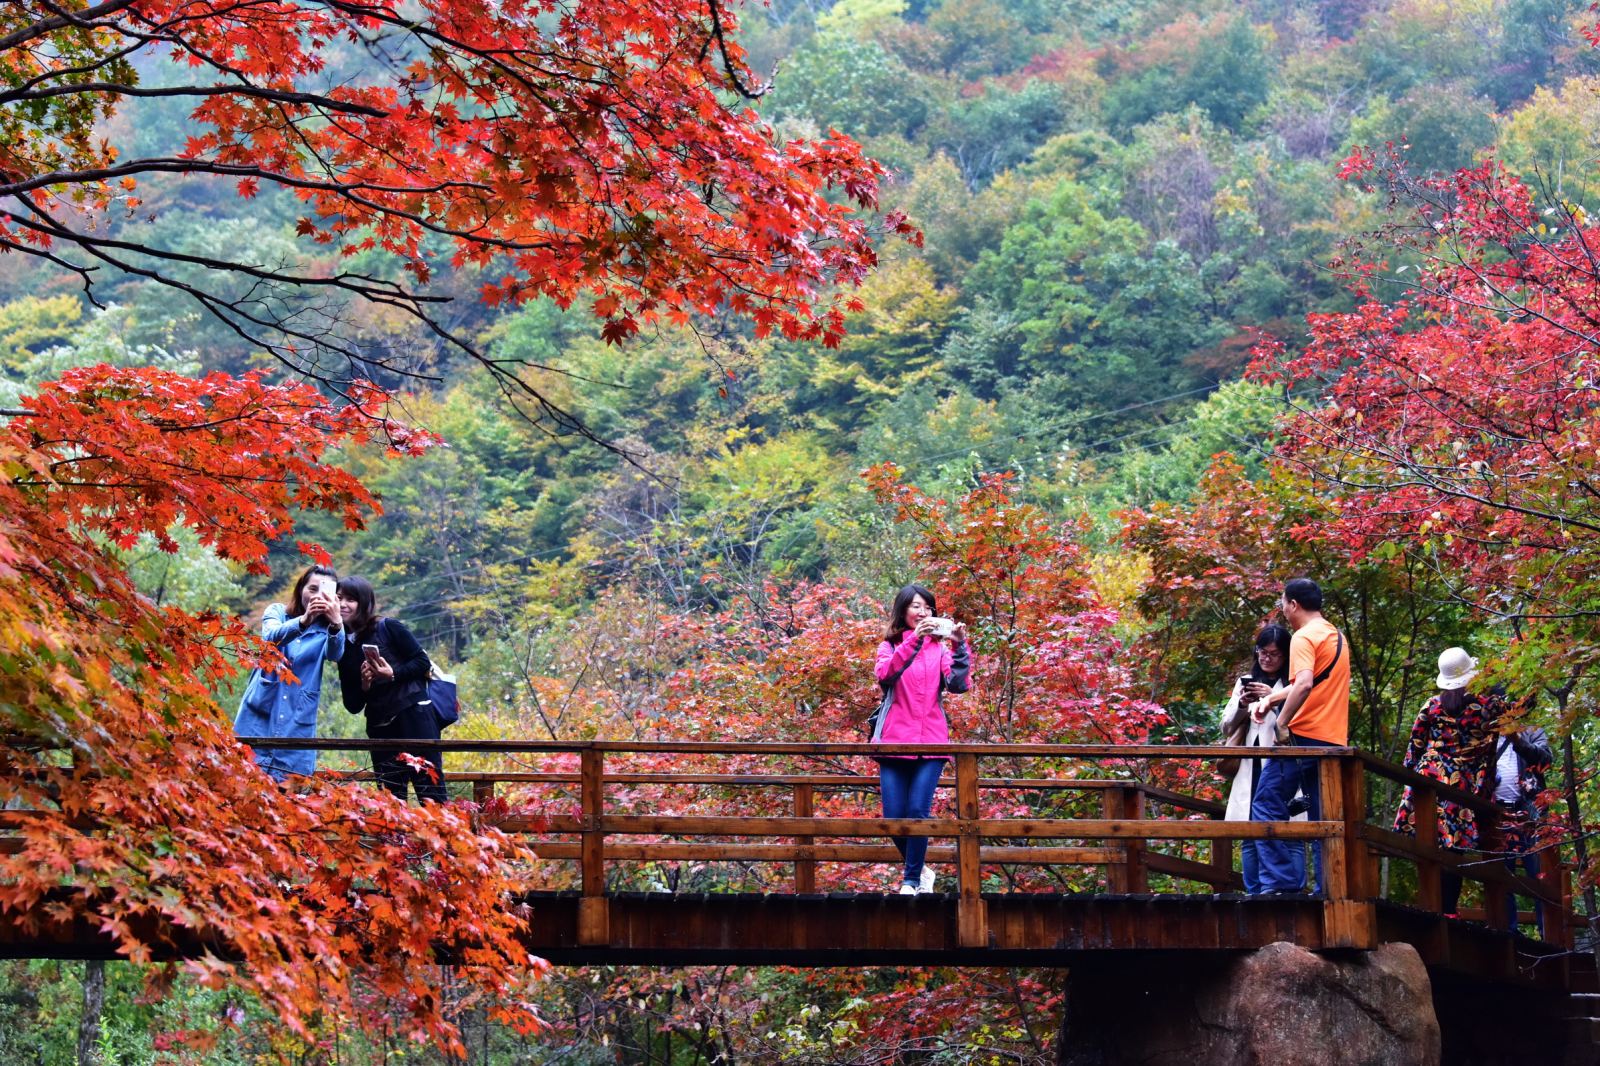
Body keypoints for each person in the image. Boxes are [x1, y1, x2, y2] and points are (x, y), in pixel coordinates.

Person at [1250, 577, 1350, 895]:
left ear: (1293, 604)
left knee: (1266, 803)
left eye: (1283, 603)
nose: (1282, 609)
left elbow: (1305, 683)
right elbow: (1312, 682)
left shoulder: (1303, 637)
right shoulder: (1336, 636)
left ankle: (1281, 884)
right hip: (1333, 740)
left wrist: (1283, 723)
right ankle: (1329, 890)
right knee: (1324, 818)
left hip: (1304, 738)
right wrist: (1271, 699)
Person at [873, 584, 972, 894]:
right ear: (903, 611)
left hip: (931, 741)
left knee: (918, 811)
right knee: (893, 817)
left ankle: (911, 880)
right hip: (894, 741)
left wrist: (959, 646)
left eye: (927, 607)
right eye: (916, 606)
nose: (922, 612)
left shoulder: (939, 650)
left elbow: (958, 684)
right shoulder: (888, 646)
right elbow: (885, 675)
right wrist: (914, 641)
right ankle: (921, 871)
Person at [1392, 648, 1502, 917]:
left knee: (1426, 844)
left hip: (1426, 778)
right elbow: (1494, 749)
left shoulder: (1432, 705)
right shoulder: (1487, 707)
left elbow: (1413, 748)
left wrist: (1408, 781)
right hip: (1458, 785)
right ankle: (1448, 910)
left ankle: (1430, 907)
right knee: (1454, 846)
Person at [336, 576, 446, 803]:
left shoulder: (388, 627)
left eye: (350, 599)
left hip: (415, 719)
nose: (343, 604)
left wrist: (392, 674)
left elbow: (422, 662)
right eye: (339, 598)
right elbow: (353, 705)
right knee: (391, 800)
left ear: (364, 602)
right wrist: (365, 685)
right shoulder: (342, 646)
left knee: (431, 794)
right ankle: (394, 840)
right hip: (380, 728)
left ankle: (443, 838)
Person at [233, 565, 346, 782]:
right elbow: (270, 637)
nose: (317, 596)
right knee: (242, 787)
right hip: (258, 718)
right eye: (312, 589)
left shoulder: (329, 630)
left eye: (324, 592)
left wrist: (336, 623)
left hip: (297, 724)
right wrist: (305, 621)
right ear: (300, 588)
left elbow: (335, 654)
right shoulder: (277, 612)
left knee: (289, 801)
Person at [1220, 625, 1293, 893]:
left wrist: (1273, 698)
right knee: (1249, 836)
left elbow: (1301, 723)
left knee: (1289, 833)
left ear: (1286, 656)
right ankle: (1254, 893)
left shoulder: (1293, 684)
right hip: (1250, 765)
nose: (1267, 659)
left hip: (1283, 764)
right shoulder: (1244, 681)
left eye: (1274, 654)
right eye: (1262, 652)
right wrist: (1241, 704)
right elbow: (1226, 726)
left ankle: (1286, 891)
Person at [1489, 715, 1553, 934]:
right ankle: (1509, 934)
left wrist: (1518, 741)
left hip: (1531, 812)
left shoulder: (1531, 729)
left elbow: (1546, 760)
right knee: (1502, 876)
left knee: (1539, 875)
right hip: (1498, 813)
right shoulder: (1483, 735)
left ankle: (1548, 936)